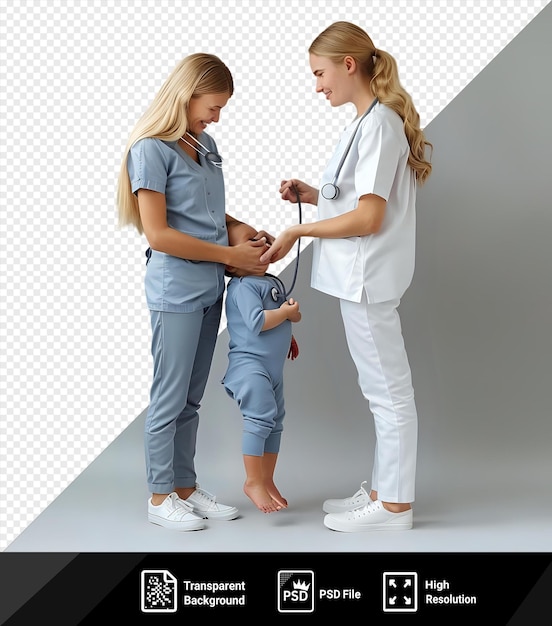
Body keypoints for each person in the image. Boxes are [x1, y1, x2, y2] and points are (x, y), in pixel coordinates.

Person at [260, 22, 432, 532]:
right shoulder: (364, 121)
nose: (317, 86)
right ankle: (383, 491)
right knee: (380, 386)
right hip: (358, 277)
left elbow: (369, 218)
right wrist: (313, 193)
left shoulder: (378, 125)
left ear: (348, 64)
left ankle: (395, 506)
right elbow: (356, 197)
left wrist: (298, 232)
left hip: (368, 277)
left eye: (320, 73)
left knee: (388, 391)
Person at [117, 53, 272, 531]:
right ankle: (160, 497)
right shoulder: (150, 149)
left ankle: (184, 487)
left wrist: (238, 227)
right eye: (213, 106)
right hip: (177, 291)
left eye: (222, 109)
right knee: (169, 396)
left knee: (190, 399)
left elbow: (206, 214)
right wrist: (232, 257)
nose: (217, 117)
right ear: (185, 96)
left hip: (209, 289)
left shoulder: (203, 144)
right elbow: (159, 235)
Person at [221, 256, 301, 514]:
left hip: (272, 368)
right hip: (250, 366)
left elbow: (280, 317)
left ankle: (267, 478)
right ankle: (253, 480)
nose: (260, 246)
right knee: (259, 419)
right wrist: (286, 314)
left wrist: (288, 330)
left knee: (275, 421)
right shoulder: (243, 286)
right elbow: (257, 322)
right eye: (250, 242)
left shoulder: (268, 281)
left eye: (260, 240)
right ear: (231, 262)